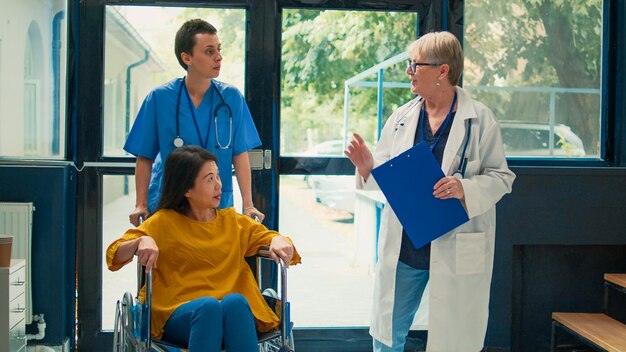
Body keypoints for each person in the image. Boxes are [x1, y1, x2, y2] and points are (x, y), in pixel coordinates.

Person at [344, 32, 515, 352]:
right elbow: (387, 178)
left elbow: (501, 177)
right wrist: (368, 166)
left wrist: (465, 188)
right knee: (387, 335)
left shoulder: (480, 119)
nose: (408, 71)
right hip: (407, 246)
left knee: (455, 339)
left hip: (456, 242)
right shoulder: (401, 119)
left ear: (442, 71)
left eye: (415, 64)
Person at [106, 146, 301, 351]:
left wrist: (277, 239)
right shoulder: (162, 223)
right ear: (186, 189)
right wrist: (139, 242)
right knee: (208, 307)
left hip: (233, 315)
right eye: (209, 179)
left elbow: (272, 238)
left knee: (235, 302)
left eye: (218, 176)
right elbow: (115, 253)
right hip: (178, 312)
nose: (219, 185)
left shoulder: (233, 222)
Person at [124, 18, 264, 226]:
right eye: (209, 51)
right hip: (170, 200)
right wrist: (140, 204)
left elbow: (239, 154)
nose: (219, 57)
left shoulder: (231, 98)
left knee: (216, 255)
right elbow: (144, 157)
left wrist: (248, 204)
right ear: (187, 58)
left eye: (219, 49)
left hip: (216, 202)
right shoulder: (159, 98)